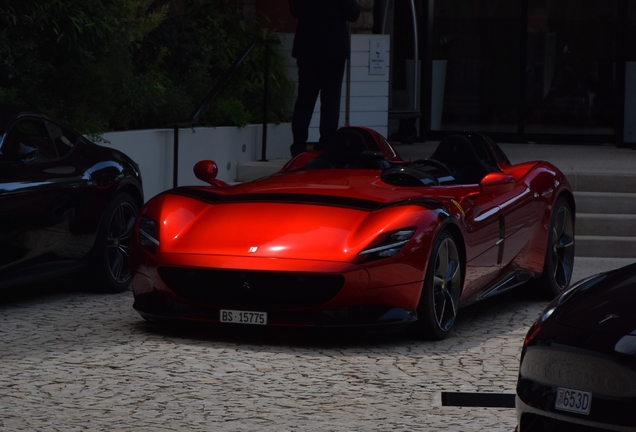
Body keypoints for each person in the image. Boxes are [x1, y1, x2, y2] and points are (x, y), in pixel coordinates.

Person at [288, 0, 360, 157]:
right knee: (330, 100)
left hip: (307, 45)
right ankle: (326, 145)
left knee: (305, 99)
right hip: (334, 47)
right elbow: (353, 13)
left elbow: (294, 10)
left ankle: (299, 145)